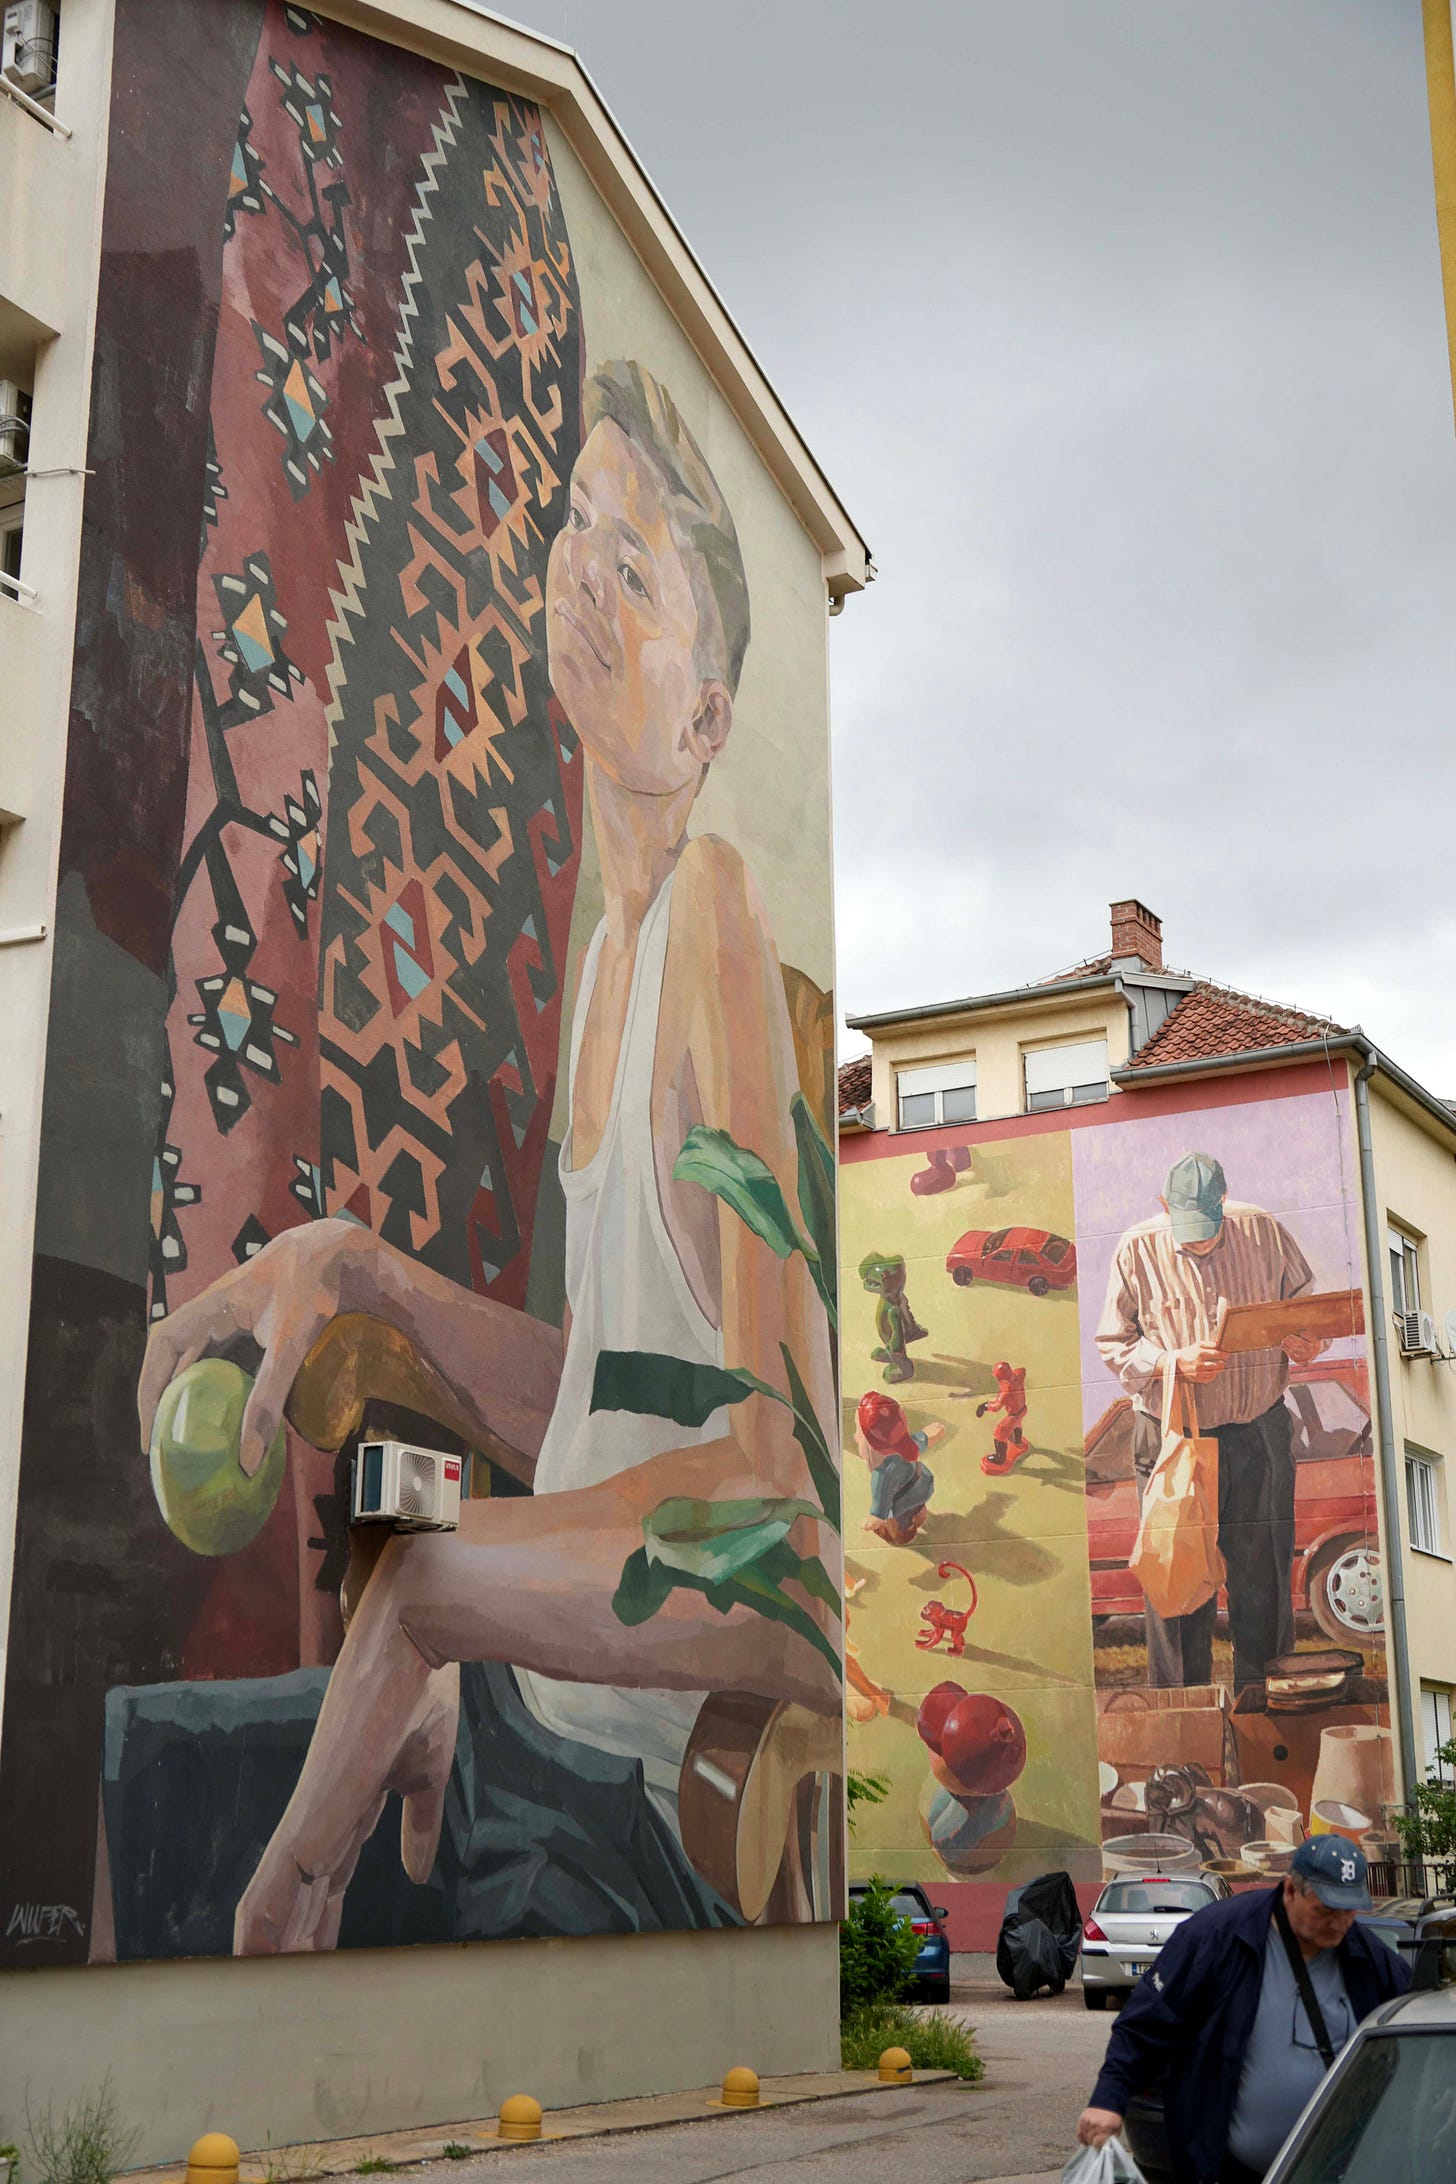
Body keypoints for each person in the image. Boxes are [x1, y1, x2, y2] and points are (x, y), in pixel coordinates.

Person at [137, 360, 838, 1952]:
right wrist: (369, 1274)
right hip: (540, 1720)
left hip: (635, 1811)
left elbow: (772, 1494)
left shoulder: (716, 909)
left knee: (223, 1829)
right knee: (160, 1763)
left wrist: (447, 1589)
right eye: (579, 524)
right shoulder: (608, 962)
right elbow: (602, 1409)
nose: (583, 568)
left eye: (635, 568)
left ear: (709, 716)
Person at [1094, 1152, 1324, 1693]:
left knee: (1263, 1585)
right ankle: (1182, 1721)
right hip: (1171, 1438)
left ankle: (1265, 1720)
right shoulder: (1136, 1247)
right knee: (1175, 1587)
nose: (1200, 1241)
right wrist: (1173, 1362)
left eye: (1209, 1223)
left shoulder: (1263, 1229)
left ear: (1224, 1199)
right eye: (1188, 1226)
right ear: (1163, 1206)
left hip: (1258, 1432)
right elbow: (1114, 1344)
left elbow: (1306, 1308)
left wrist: (1308, 1339)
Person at [1078, 1837, 1409, 2183]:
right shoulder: (1217, 1937)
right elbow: (1145, 2024)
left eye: (1349, 1911)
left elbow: (1417, 2014)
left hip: (1336, 2173)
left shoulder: (1367, 1956)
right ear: (1290, 1890)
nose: (1340, 1923)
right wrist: (1108, 2098)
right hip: (1229, 2172)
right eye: (1326, 1910)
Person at [854, 1389, 943, 1544]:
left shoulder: (882, 1473)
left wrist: (875, 1517)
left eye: (858, 1433)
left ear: (871, 1447)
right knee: (917, 1506)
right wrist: (928, 1435)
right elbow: (923, 1439)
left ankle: (905, 1531)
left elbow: (881, 1500)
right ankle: (920, 1514)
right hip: (923, 1483)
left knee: (900, 1519)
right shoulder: (906, 1445)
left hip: (904, 1501)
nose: (855, 1438)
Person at [976, 1359, 1028, 1476]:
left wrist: (983, 1406)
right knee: (1017, 1424)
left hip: (1014, 1414)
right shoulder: (1018, 1375)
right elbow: (1022, 1371)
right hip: (1022, 1410)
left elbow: (996, 1407)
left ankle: (1000, 1459)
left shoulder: (1006, 1390)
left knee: (1000, 1433)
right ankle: (1018, 1441)